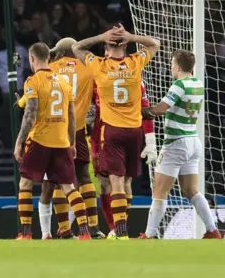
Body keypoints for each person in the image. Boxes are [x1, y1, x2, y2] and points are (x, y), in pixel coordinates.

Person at [72, 24, 160, 240]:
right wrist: (129, 36)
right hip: (134, 131)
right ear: (126, 45)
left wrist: (102, 35)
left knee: (116, 181)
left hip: (111, 130)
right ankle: (118, 228)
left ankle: (119, 230)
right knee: (127, 181)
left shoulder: (99, 66)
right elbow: (155, 43)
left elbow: (76, 47)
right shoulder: (135, 62)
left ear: (106, 47)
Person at [139, 50, 221, 239]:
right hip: (193, 141)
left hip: (176, 142)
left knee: (159, 191)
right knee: (190, 190)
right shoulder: (197, 83)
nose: (170, 67)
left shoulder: (179, 85)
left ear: (177, 65)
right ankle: (212, 230)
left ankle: (149, 235)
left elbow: (160, 109)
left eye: (171, 63)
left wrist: (141, 111)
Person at [13, 42, 91, 241]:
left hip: (39, 140)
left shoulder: (33, 81)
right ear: (48, 57)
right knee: (69, 187)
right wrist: (72, 142)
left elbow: (30, 114)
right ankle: (84, 233)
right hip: (62, 141)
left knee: (26, 183)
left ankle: (26, 233)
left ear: (32, 59)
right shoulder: (64, 82)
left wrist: (19, 142)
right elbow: (72, 116)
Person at [34, 37, 103, 239]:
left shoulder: (50, 68)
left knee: (57, 181)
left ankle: (64, 228)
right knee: (84, 177)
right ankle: (93, 227)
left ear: (61, 53)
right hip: (78, 129)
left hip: (53, 130)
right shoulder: (89, 69)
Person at [93, 79, 157, 239]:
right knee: (109, 182)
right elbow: (146, 109)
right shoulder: (135, 77)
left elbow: (145, 107)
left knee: (118, 180)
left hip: (108, 133)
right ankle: (114, 228)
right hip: (114, 132)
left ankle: (117, 228)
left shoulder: (100, 74)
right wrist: (150, 139)